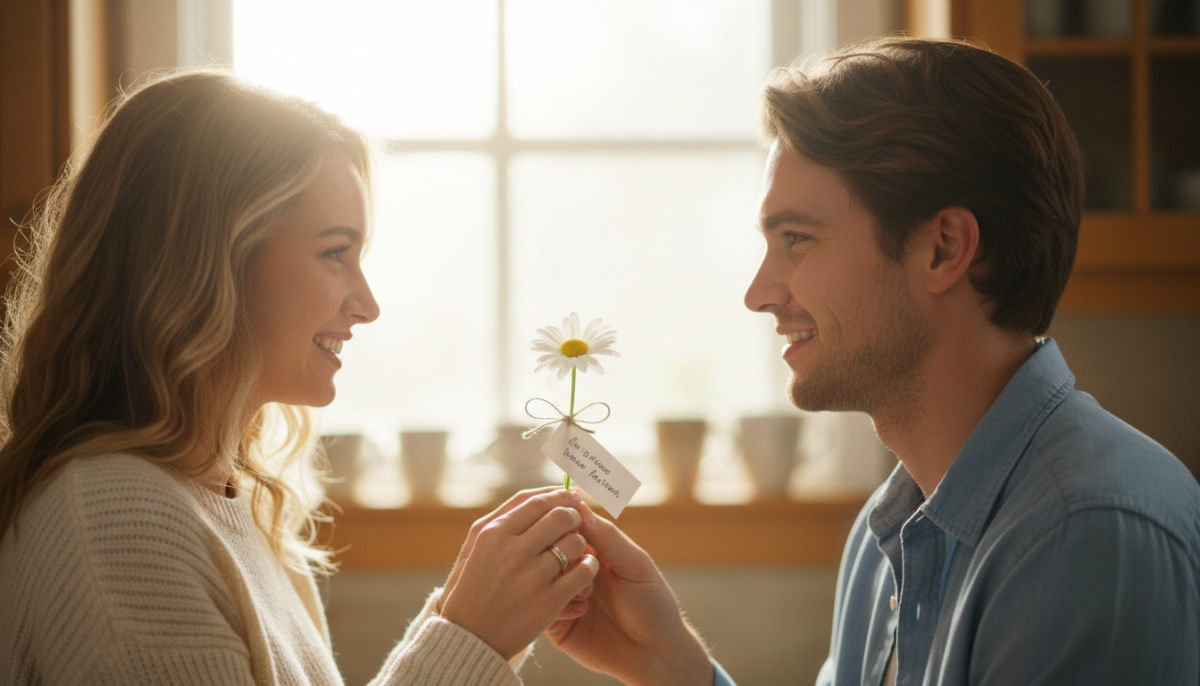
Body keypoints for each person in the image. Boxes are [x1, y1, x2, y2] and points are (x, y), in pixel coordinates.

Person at [544, 36, 1200, 685]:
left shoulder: (1085, 536)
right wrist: (666, 665)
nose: (759, 295)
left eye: (796, 239)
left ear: (943, 249)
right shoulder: (891, 529)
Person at [0, 70, 599, 685]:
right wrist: (470, 638)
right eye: (335, 253)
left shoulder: (230, 499)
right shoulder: (120, 524)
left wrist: (473, 624)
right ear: (208, 261)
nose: (366, 304)